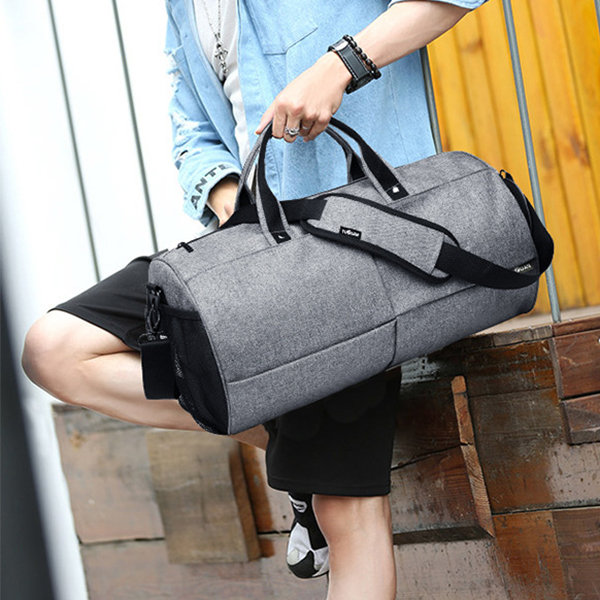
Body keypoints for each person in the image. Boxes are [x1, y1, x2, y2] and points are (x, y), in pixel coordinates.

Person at [22, 1, 486, 598]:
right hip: (251, 243)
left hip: (355, 247)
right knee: (55, 350)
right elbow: (193, 127)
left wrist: (341, 66)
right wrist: (227, 197)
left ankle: (310, 464)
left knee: (345, 510)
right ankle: (289, 439)